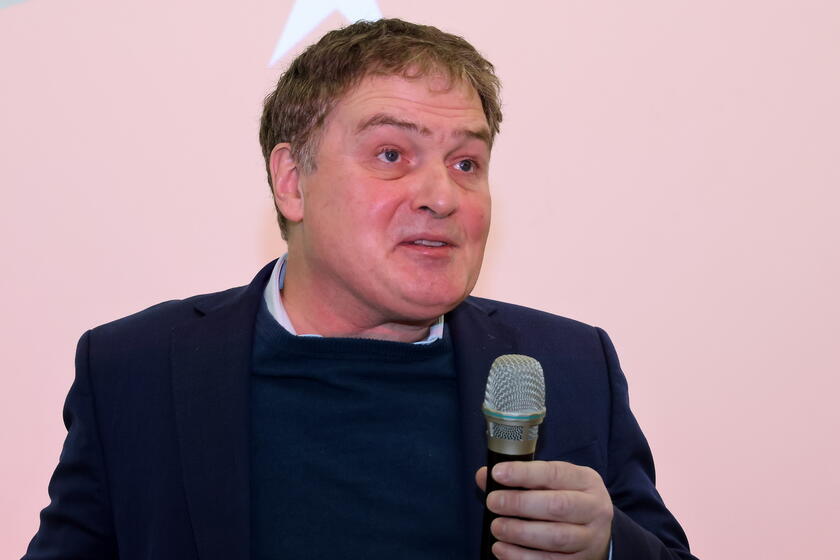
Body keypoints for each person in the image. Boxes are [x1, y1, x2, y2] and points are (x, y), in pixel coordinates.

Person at [23, 18, 697, 560]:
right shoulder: (136, 369)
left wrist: (611, 547)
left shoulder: (569, 365)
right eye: (392, 155)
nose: (441, 196)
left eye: (467, 163)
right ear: (292, 182)